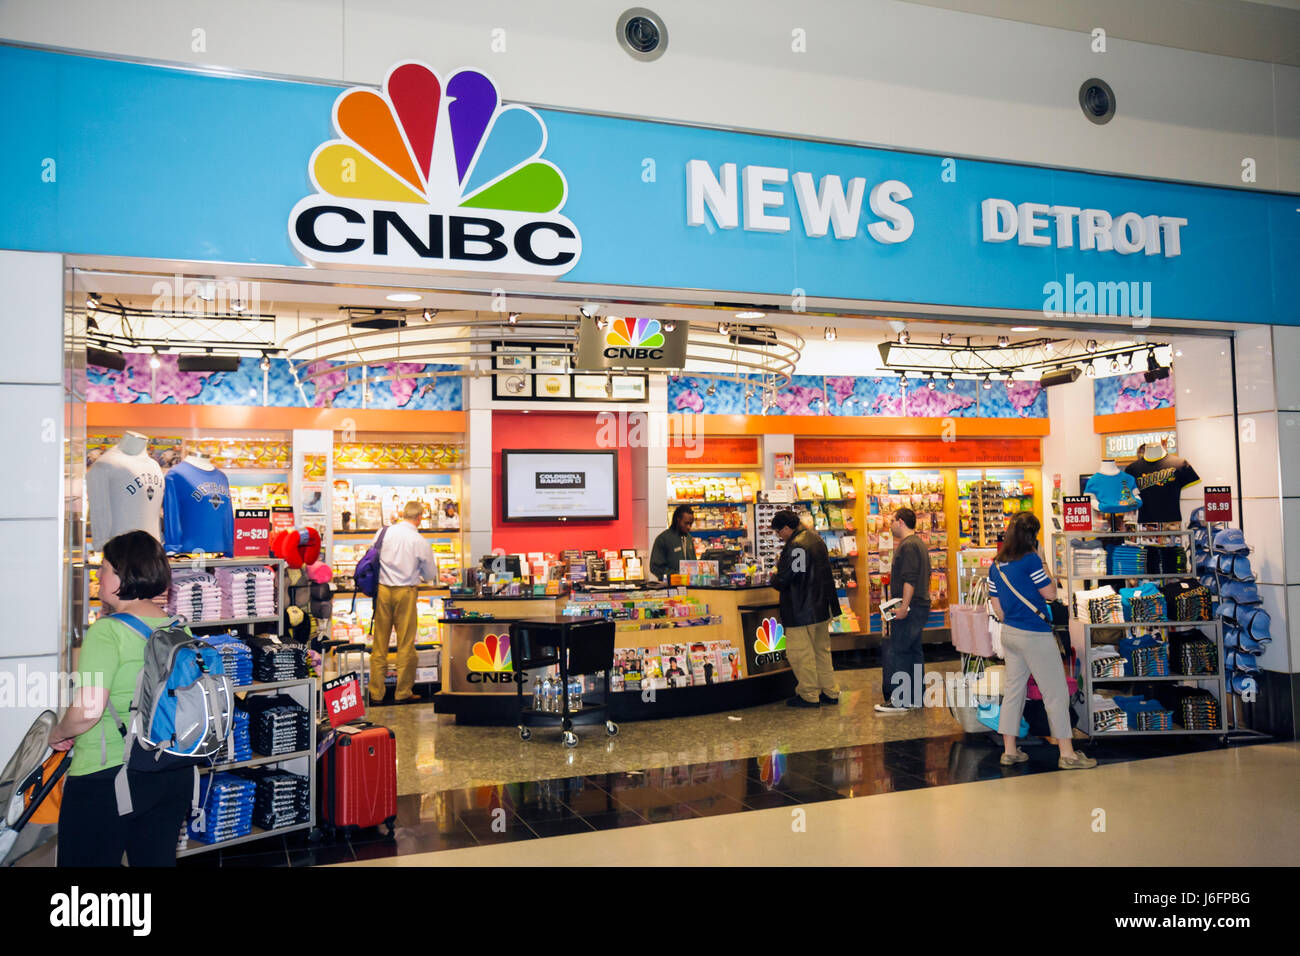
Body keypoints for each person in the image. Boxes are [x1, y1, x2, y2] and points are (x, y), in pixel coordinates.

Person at [49, 530, 195, 866]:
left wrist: (58, 733)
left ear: (124, 575)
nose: (99, 575)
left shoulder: (107, 632)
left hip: (108, 775)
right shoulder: (179, 628)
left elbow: (88, 710)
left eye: (106, 567)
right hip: (171, 772)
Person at [987, 513, 1096, 770]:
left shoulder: (997, 565)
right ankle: (1068, 754)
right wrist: (1044, 563)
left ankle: (1010, 750)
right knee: (1055, 693)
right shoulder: (1031, 560)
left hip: (1010, 633)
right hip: (1034, 635)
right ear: (1032, 536)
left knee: (1014, 692)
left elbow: (997, 607)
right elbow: (1050, 593)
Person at [768, 509, 841, 707]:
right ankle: (830, 691)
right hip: (821, 607)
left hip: (802, 609)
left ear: (786, 528)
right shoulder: (815, 539)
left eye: (778, 531)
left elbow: (793, 576)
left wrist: (774, 577)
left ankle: (809, 694)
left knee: (801, 654)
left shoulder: (798, 546)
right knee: (821, 652)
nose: (779, 536)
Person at [368, 500, 435, 705]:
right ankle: (402, 693)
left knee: (380, 644)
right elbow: (430, 573)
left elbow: (372, 555)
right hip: (405, 592)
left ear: (402, 514)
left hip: (382, 591)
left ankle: (376, 693)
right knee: (405, 644)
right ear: (419, 518)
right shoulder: (419, 540)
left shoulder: (383, 532)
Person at [877, 508, 931, 713]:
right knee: (914, 652)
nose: (889, 525)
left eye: (891, 521)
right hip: (919, 605)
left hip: (910, 606)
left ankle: (900, 699)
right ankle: (916, 696)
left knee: (900, 651)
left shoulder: (908, 546)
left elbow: (909, 579)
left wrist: (903, 606)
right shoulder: (918, 544)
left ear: (900, 522)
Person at [650, 505, 696, 580]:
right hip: (669, 586)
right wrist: (675, 575)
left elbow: (693, 562)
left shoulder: (689, 539)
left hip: (690, 585)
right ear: (678, 520)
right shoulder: (663, 539)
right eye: (686, 523)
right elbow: (655, 567)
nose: (688, 527)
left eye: (690, 524)